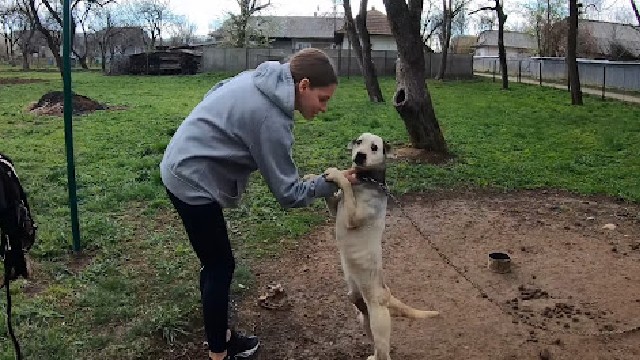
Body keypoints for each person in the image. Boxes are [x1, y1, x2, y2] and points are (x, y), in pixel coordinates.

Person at [160, 48, 356, 360]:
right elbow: (288, 193)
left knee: (214, 262)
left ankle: (219, 334)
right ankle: (219, 352)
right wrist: (330, 182)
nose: (324, 108)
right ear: (303, 85)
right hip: (190, 178)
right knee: (219, 265)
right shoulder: (271, 118)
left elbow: (216, 90)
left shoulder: (260, 78)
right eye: (323, 99)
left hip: (180, 161)